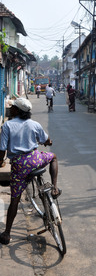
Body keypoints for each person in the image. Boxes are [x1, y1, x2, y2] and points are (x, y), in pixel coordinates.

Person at [0, 98, 60, 245]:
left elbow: (2, 150)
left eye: (13, 107)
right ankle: (55, 187)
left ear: (17, 111)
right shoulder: (34, 124)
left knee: (15, 199)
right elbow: (46, 140)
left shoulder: (7, 125)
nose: (11, 108)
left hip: (19, 166)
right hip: (35, 160)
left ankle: (7, 233)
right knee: (53, 157)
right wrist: (48, 142)